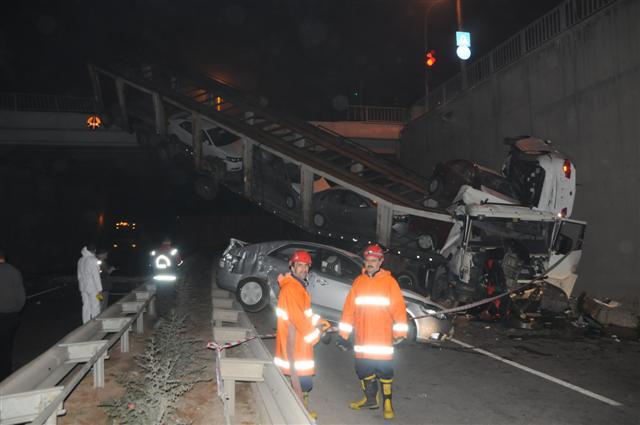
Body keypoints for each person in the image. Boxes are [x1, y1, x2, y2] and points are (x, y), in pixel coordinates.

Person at [337, 244, 408, 420]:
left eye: (374, 260)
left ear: (380, 262)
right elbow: (348, 310)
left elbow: (399, 309)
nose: (370, 263)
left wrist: (400, 332)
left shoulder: (390, 283)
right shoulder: (358, 282)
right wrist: (343, 335)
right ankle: (370, 400)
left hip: (382, 339)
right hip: (362, 338)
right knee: (362, 369)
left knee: (385, 372)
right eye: (368, 260)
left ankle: (388, 404)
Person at [274, 250, 330, 419]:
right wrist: (317, 335)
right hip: (294, 344)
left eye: (306, 266)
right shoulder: (292, 288)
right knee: (301, 381)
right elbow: (298, 319)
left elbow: (305, 314)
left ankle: (300, 411)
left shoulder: (298, 287)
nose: (303, 269)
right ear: (292, 266)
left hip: (297, 343)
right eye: (300, 265)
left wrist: (321, 322)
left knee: (302, 381)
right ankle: (297, 414)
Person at [0, 249, 26, 381]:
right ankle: (5, 374)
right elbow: (21, 297)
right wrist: (16, 310)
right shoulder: (14, 271)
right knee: (6, 345)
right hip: (10, 315)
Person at [77, 244, 102, 324]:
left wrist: (81, 286)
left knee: (86, 306)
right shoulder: (92, 259)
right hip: (93, 287)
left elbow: (79, 275)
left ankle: (86, 324)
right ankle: (95, 323)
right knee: (95, 305)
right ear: (94, 251)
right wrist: (99, 289)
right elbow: (96, 276)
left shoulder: (80, 260)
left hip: (83, 287)